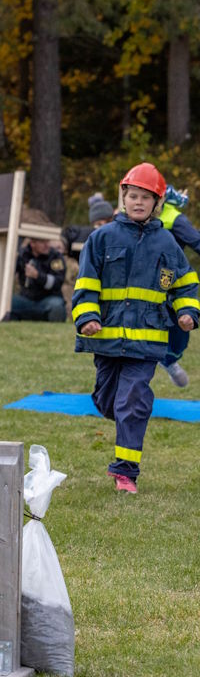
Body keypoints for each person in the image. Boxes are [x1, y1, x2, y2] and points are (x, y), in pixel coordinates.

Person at [71, 163, 198, 494]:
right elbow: (85, 284)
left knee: (134, 400)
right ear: (122, 197)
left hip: (147, 341)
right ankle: (121, 415)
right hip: (108, 340)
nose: (138, 202)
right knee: (107, 400)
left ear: (157, 203)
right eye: (133, 196)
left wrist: (187, 313)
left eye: (146, 197)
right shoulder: (101, 239)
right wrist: (86, 318)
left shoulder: (167, 244)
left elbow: (186, 285)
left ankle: (126, 472)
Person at [155, 185, 200, 387]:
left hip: (171, 281)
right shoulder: (130, 214)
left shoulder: (175, 219)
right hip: (140, 282)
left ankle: (169, 360)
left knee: (179, 332)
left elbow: (197, 242)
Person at [8, 238, 67, 322]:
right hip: (26, 300)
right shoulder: (23, 255)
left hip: (49, 300)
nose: (47, 245)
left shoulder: (56, 257)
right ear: (32, 243)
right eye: (42, 242)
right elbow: (9, 272)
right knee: (9, 304)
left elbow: (57, 283)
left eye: (48, 241)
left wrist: (37, 276)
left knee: (57, 307)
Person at [62, 194, 114, 261]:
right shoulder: (82, 233)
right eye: (99, 224)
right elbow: (68, 233)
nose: (103, 226)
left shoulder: (115, 234)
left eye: (107, 222)